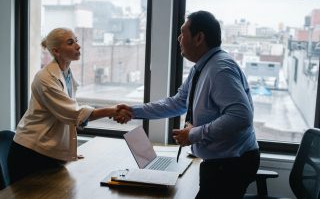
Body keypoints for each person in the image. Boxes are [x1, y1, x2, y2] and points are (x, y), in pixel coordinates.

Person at [116, 11, 260, 198]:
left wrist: (193, 134)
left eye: (183, 33)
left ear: (199, 38)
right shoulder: (201, 68)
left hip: (231, 164)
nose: (178, 38)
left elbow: (241, 117)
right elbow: (177, 103)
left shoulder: (220, 69)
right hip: (221, 162)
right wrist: (133, 111)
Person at [8, 27, 132, 184]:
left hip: (48, 151)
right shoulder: (45, 78)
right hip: (30, 153)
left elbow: (68, 115)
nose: (78, 46)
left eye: (76, 41)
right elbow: (73, 114)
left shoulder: (66, 74)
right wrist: (112, 111)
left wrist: (67, 150)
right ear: (57, 51)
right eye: (70, 42)